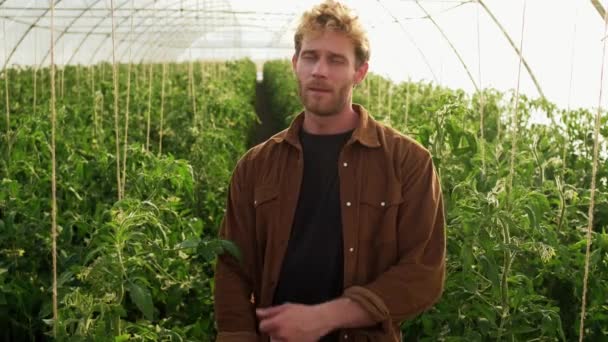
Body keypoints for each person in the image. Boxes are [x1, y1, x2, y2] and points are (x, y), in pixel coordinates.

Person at [213, 1, 446, 341]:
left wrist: (326, 317)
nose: (319, 70)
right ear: (295, 64)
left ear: (360, 72)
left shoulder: (407, 162)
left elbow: (422, 273)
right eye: (310, 56)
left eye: (336, 60)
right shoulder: (256, 165)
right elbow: (233, 265)